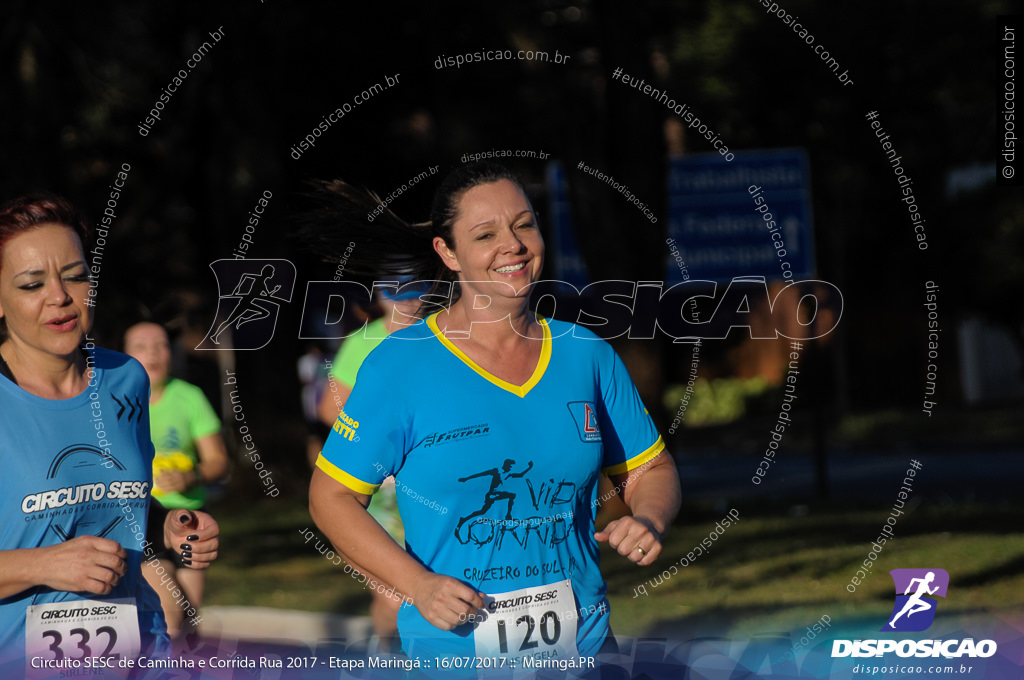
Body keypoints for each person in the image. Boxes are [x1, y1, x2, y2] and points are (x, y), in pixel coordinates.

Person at [307, 162, 682, 664]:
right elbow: (331, 496)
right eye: (486, 234)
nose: (514, 245)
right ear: (449, 253)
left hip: (586, 656)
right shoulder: (402, 365)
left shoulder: (584, 353)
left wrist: (650, 519)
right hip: (456, 661)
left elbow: (650, 469)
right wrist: (417, 585)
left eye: (524, 224)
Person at [0, 194, 219, 674]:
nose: (60, 296)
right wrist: (41, 565)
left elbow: (126, 504)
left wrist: (167, 525)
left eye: (76, 276)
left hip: (140, 654)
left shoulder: (127, 379)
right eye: (32, 283)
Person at [315, 281, 426, 652]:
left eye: (415, 292)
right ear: (379, 298)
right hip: (382, 488)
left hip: (433, 482)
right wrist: (379, 458)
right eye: (396, 294)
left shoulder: (442, 336)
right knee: (396, 591)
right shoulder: (362, 342)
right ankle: (387, 654)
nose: (406, 303)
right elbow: (331, 408)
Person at [123, 321, 229, 639]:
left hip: (188, 518)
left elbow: (219, 462)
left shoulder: (189, 397)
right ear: (125, 355)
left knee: (190, 621)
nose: (152, 353)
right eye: (141, 346)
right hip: (143, 521)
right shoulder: (114, 402)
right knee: (170, 616)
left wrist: (190, 476)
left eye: (160, 345)